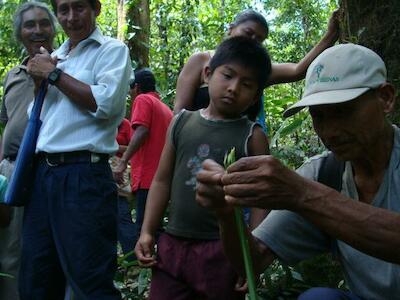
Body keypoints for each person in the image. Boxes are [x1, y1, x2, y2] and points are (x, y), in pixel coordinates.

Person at [196, 43, 400, 300]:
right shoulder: (324, 173)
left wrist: (303, 195)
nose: (330, 131)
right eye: (319, 117)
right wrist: (226, 214)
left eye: (344, 111)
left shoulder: (308, 188)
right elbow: (254, 259)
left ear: (386, 98)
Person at [135, 36, 271, 300]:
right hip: (173, 244)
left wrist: (249, 255)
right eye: (228, 76)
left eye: (246, 84)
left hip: (222, 251)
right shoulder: (181, 123)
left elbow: (260, 202)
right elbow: (162, 180)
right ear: (208, 74)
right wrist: (148, 231)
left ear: (256, 97)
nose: (233, 88)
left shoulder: (252, 136)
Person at [23, 0, 132, 298]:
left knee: (90, 279)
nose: (71, 17)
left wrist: (53, 75)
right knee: (37, 277)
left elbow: (106, 105)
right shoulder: (55, 57)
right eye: (63, 10)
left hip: (84, 174)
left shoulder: (111, 50)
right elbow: (39, 118)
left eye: (79, 7)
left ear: (96, 8)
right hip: (43, 176)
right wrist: (40, 80)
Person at [174, 9, 340, 130]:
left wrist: (331, 34)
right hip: (196, 144)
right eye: (248, 33)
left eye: (259, 39)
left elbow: (298, 70)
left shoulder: (258, 71)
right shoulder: (201, 60)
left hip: (241, 149)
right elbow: (179, 113)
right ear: (231, 29)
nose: (252, 41)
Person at [0, 2, 56, 299]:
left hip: (44, 168)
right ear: (19, 33)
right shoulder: (12, 75)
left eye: (43, 23)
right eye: (29, 25)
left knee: (39, 252)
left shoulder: (65, 69)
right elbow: (5, 128)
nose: (37, 30)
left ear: (53, 28)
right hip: (9, 170)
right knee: (9, 250)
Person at [114, 68, 173, 252]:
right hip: (164, 177)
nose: (131, 94)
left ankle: (159, 267)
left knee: (145, 229)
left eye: (131, 89)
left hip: (149, 177)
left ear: (136, 87)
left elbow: (142, 131)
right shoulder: (164, 108)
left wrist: (123, 161)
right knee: (155, 227)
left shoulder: (142, 99)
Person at [109, 118, 136, 257]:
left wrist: (113, 147)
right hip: (100, 172)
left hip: (119, 172)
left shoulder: (125, 124)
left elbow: (135, 146)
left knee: (122, 216)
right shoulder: (103, 120)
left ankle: (131, 259)